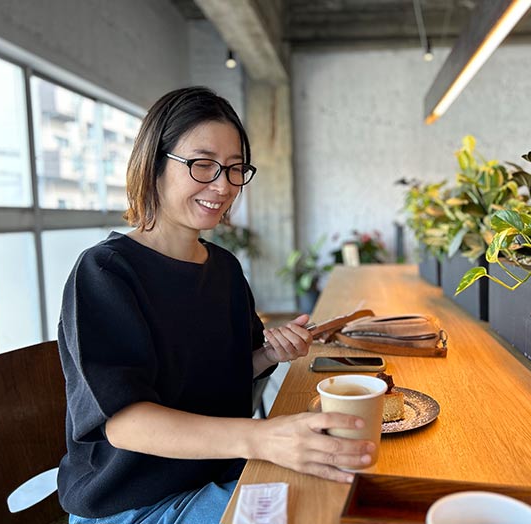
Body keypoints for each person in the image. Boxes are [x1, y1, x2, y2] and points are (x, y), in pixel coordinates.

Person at [57, 86, 376, 523]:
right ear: (154, 164)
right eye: (202, 165)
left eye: (234, 168)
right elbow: (126, 423)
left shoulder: (223, 268)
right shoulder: (106, 272)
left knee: (348, 484)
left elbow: (219, 375)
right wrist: (262, 438)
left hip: (218, 472)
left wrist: (267, 354)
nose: (223, 185)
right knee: (324, 508)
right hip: (136, 505)